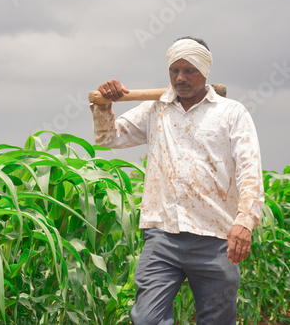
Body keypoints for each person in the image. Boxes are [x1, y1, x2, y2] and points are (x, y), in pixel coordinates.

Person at [90, 37, 264, 325]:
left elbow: (250, 169)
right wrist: (104, 104)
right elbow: (109, 137)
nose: (180, 78)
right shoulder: (155, 109)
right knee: (146, 319)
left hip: (216, 238)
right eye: (174, 70)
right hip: (162, 235)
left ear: (205, 71)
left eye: (189, 70)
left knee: (217, 320)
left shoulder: (231, 113)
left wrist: (244, 221)